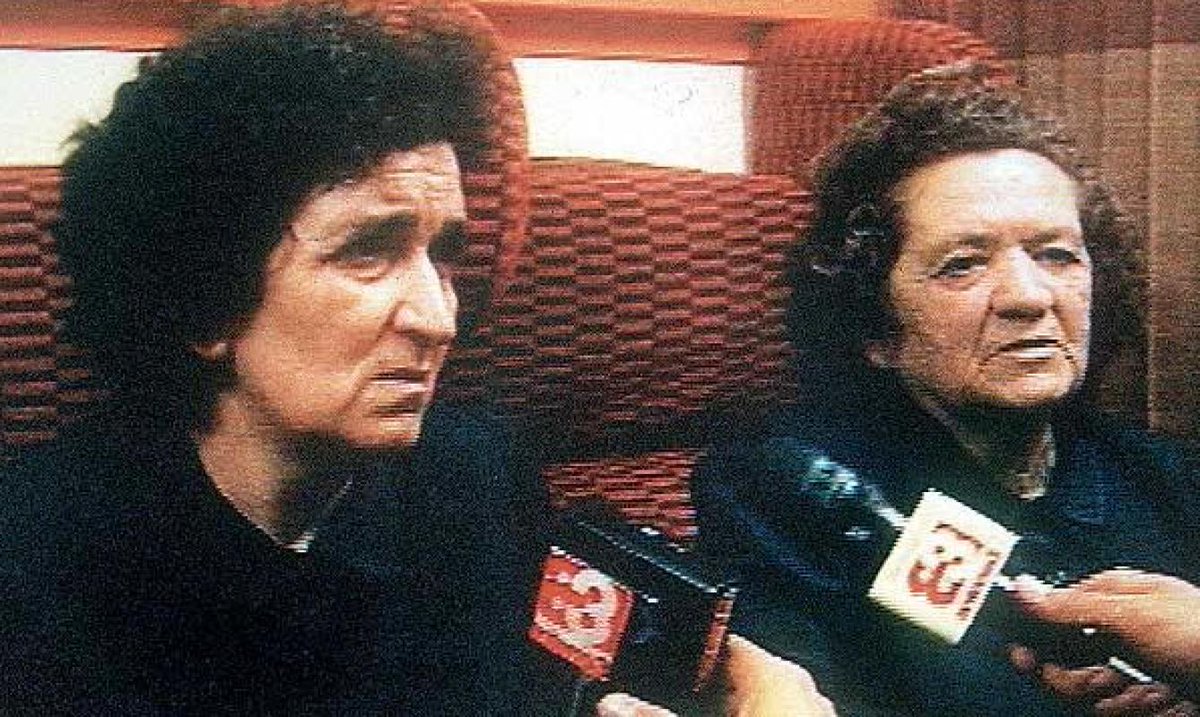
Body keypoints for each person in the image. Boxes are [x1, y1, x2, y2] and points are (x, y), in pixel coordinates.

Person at [0, 3, 837, 714]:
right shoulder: (37, 557)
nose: (439, 317)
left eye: (444, 255)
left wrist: (732, 682)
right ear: (203, 299)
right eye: (367, 251)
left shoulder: (474, 475)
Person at [693, 62, 1200, 716]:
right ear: (874, 325)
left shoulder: (1171, 479)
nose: (1029, 297)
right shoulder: (787, 492)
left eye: (1057, 255)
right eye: (962, 265)